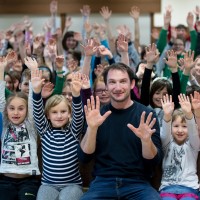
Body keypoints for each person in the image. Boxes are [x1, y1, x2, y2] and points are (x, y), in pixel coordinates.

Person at [78, 62, 163, 200]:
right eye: (112, 82)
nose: (118, 87)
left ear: (132, 84)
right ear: (106, 86)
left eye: (123, 81)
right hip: (103, 183)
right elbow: (84, 158)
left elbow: (154, 162)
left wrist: (146, 141)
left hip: (138, 184)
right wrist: (92, 129)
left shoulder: (146, 114)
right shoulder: (97, 115)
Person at [31, 69, 84, 200]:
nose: (59, 115)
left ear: (69, 113)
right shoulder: (45, 131)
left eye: (63, 111)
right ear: (48, 115)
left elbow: (79, 115)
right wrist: (37, 92)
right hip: (48, 185)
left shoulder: (73, 131)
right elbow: (37, 112)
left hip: (72, 185)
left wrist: (76, 95)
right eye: (54, 112)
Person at [0, 55, 40, 200]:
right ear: (6, 111)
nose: (16, 112)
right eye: (12, 108)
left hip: (28, 181)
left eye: (21, 109)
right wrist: (1, 69)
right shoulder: (5, 124)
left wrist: (34, 70)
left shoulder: (30, 123)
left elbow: (32, 100)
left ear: (27, 110)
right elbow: (0, 98)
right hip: (5, 181)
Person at [159, 94, 200, 199]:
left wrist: (189, 114)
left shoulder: (193, 145)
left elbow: (194, 133)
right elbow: (165, 133)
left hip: (189, 189)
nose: (180, 130)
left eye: (184, 126)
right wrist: (167, 115)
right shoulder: (166, 143)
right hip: (167, 189)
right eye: (176, 126)